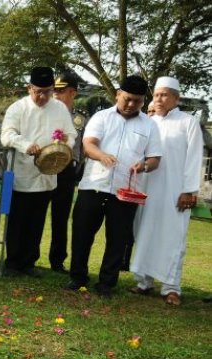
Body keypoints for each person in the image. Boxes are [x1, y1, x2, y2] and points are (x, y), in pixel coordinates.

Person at [66, 75, 162, 298]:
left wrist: (145, 165)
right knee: (82, 233)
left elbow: (155, 158)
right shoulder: (101, 117)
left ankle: (107, 284)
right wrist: (101, 155)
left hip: (125, 191)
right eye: (127, 99)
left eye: (137, 101)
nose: (130, 105)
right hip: (94, 185)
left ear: (142, 101)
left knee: (117, 239)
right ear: (118, 94)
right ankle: (77, 277)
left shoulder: (150, 125)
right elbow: (88, 145)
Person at [129, 76, 203, 305]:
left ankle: (171, 287)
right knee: (144, 233)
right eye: (156, 95)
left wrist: (189, 190)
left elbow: (194, 158)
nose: (159, 99)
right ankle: (144, 282)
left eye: (164, 95)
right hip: (147, 189)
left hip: (175, 192)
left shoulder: (188, 122)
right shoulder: (148, 122)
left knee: (173, 238)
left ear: (176, 98)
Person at [0, 67, 76, 277]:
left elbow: (71, 134)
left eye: (47, 92)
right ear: (29, 88)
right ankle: (13, 262)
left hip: (48, 173)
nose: (43, 97)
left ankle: (28, 262)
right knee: (17, 219)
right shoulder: (18, 108)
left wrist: (62, 143)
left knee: (37, 219)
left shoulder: (59, 108)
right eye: (38, 92)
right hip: (22, 171)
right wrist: (26, 144)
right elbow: (6, 135)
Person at [48, 71, 87, 273]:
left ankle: (57, 260)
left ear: (73, 92)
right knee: (36, 213)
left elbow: (81, 149)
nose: (56, 94)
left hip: (66, 170)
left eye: (61, 91)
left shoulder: (80, 119)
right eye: (55, 90)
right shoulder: (46, 112)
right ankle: (29, 257)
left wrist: (77, 170)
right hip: (44, 168)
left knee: (61, 217)